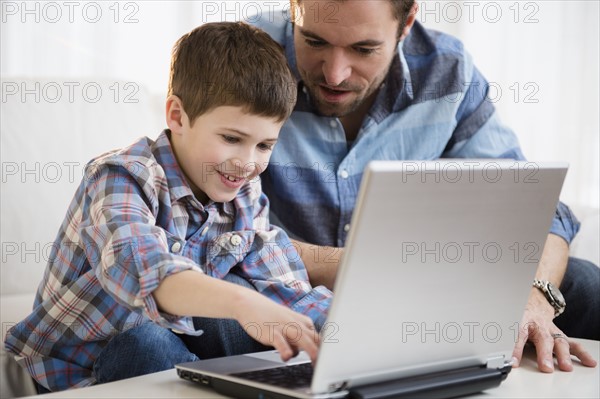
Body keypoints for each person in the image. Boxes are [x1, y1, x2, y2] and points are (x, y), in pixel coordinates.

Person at [250, 0, 599, 373]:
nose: (335, 74)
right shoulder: (244, 57)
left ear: (407, 22)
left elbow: (536, 208)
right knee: (214, 321)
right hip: (284, 286)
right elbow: (206, 227)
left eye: (364, 49)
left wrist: (536, 297)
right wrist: (357, 268)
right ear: (292, 7)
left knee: (584, 284)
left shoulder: (446, 71)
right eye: (315, 42)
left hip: (429, 289)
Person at [3, 22, 332, 393]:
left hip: (178, 337)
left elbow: (282, 281)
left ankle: (227, 383)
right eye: (231, 138)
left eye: (264, 146)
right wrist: (243, 303)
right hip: (87, 363)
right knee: (152, 340)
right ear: (177, 116)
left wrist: (343, 330)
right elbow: (144, 271)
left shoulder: (243, 192)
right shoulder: (120, 177)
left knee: (264, 307)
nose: (247, 163)